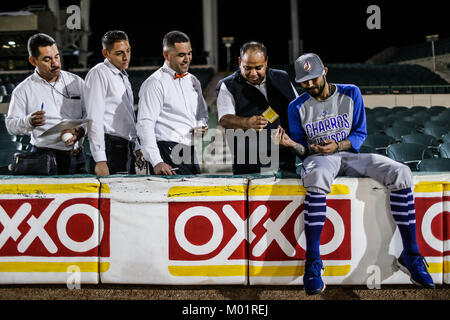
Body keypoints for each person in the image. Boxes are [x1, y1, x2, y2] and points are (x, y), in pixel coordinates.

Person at [275, 53, 435, 294]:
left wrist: (336, 146)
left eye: (313, 79)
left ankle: (411, 254)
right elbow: (302, 150)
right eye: (304, 82)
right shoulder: (296, 106)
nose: (309, 85)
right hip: (319, 159)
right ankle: (313, 262)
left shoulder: (351, 92)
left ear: (325, 72)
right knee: (317, 177)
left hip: (349, 154)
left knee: (400, 172)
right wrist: (290, 144)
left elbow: (359, 134)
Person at [6, 33, 87, 174]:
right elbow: (11, 125)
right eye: (47, 59)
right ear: (33, 61)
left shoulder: (77, 82)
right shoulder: (23, 90)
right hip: (44, 159)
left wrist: (81, 131)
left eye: (56, 57)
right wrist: (29, 121)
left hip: (77, 156)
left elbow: (90, 114)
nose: (55, 63)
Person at [216, 41, 298, 175]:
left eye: (258, 68)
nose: (253, 73)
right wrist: (246, 123)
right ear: (239, 62)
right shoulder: (228, 85)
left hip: (285, 161)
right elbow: (225, 119)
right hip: (248, 165)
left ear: (266, 62)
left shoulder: (282, 77)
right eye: (247, 68)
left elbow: (298, 108)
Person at [137, 30, 208, 175]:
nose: (187, 59)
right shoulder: (154, 83)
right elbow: (145, 124)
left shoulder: (194, 81)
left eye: (189, 53)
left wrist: (201, 125)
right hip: (167, 150)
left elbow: (202, 114)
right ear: (166, 55)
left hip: (189, 150)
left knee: (194, 196)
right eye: (181, 55)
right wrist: (156, 161)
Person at [84, 30, 142, 176]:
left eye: (128, 51)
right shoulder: (99, 73)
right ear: (106, 53)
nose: (126, 57)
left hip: (125, 147)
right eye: (119, 53)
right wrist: (100, 160)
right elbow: (93, 117)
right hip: (111, 147)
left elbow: (128, 117)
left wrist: (136, 147)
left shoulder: (122, 76)